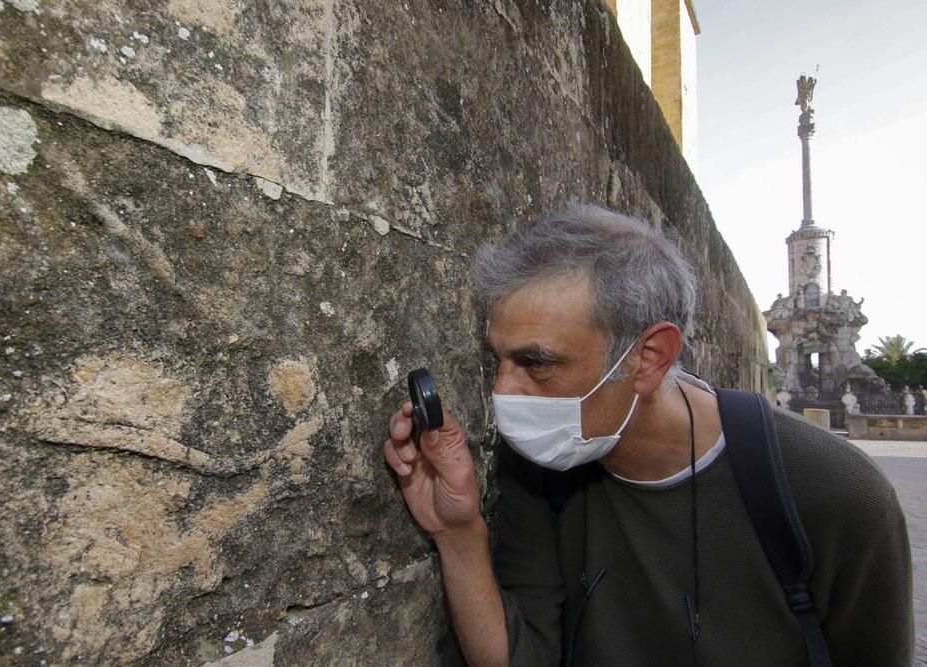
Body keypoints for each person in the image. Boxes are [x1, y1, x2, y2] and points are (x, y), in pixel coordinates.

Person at [384, 204, 912, 666]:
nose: (505, 393)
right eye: (496, 360)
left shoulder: (841, 495)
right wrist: (458, 533)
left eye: (537, 363)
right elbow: (521, 656)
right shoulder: (541, 466)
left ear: (648, 357)